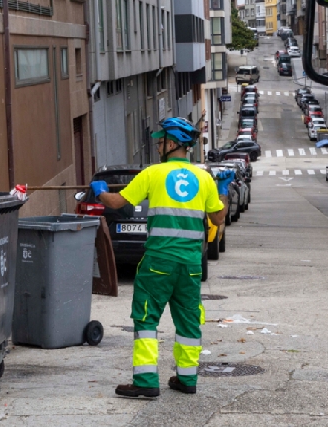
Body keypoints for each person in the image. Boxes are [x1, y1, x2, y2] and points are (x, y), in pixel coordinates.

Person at [90, 117, 234, 397]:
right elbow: (218, 217)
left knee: (146, 319)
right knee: (189, 321)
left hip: (158, 262)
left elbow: (117, 203)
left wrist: (101, 192)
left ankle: (145, 382)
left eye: (160, 141)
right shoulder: (204, 178)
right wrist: (224, 190)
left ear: (171, 144)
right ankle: (187, 380)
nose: (157, 145)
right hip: (191, 265)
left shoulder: (153, 174)